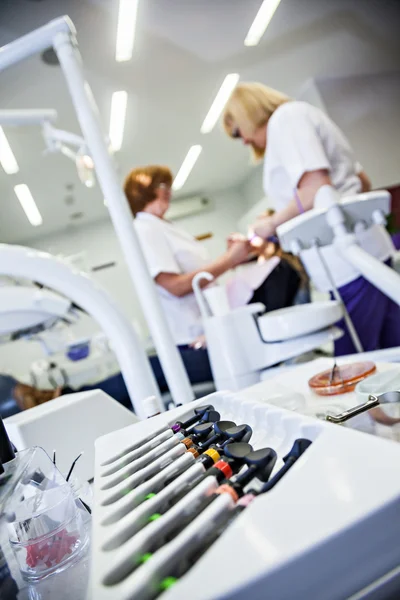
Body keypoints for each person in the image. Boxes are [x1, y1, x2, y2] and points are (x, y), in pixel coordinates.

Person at [223, 82, 400, 356]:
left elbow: (317, 187)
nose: (244, 140)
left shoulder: (285, 119)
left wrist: (269, 224)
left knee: (357, 366)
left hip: (347, 267)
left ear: (247, 113)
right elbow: (362, 182)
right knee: (391, 354)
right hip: (370, 252)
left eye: (237, 131)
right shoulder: (303, 115)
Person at [123, 165, 251, 384]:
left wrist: (231, 256)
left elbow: (200, 277)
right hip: (189, 340)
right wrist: (230, 259)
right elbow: (175, 287)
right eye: (162, 185)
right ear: (145, 190)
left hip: (207, 330)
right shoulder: (145, 228)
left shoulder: (164, 227)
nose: (168, 190)